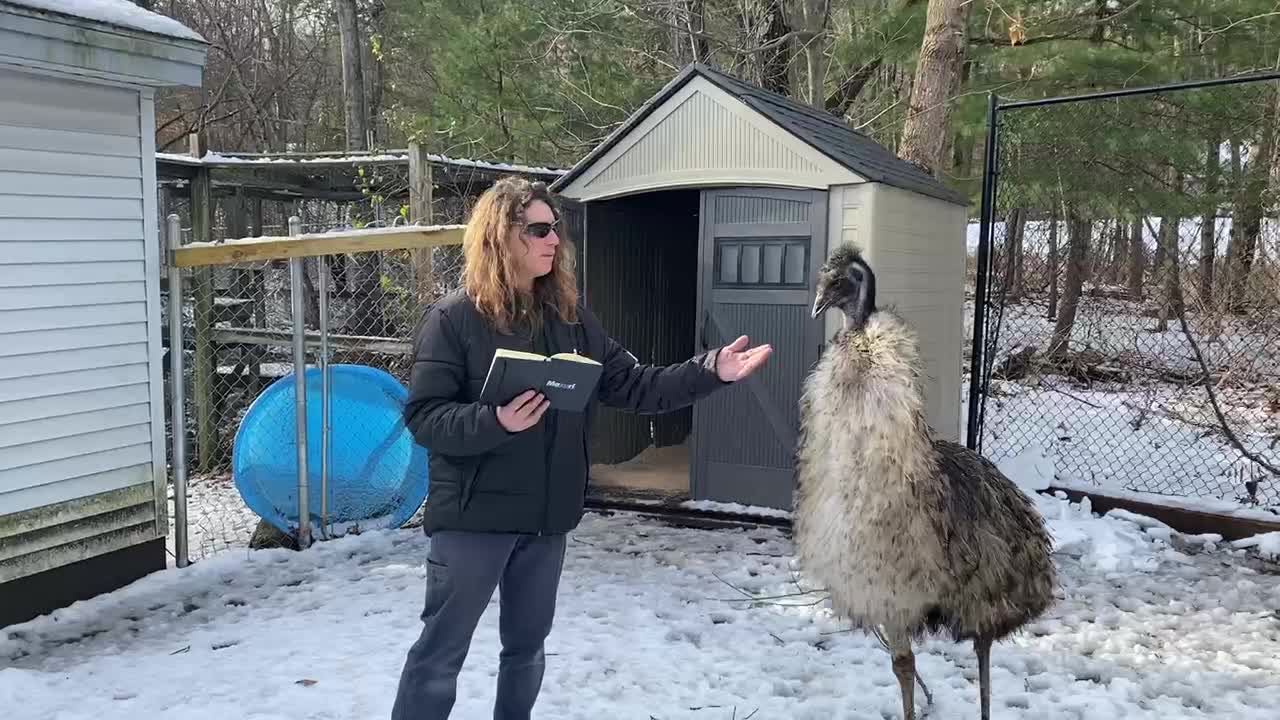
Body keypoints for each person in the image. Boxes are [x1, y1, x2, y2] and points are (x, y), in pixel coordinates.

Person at [390, 176, 771, 720]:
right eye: (539, 229)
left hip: (546, 521)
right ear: (501, 237)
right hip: (474, 521)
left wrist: (712, 370)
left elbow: (636, 385)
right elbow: (424, 417)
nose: (553, 240)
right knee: (440, 657)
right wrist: (495, 420)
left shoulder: (571, 321)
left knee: (525, 653)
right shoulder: (453, 320)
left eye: (555, 228)